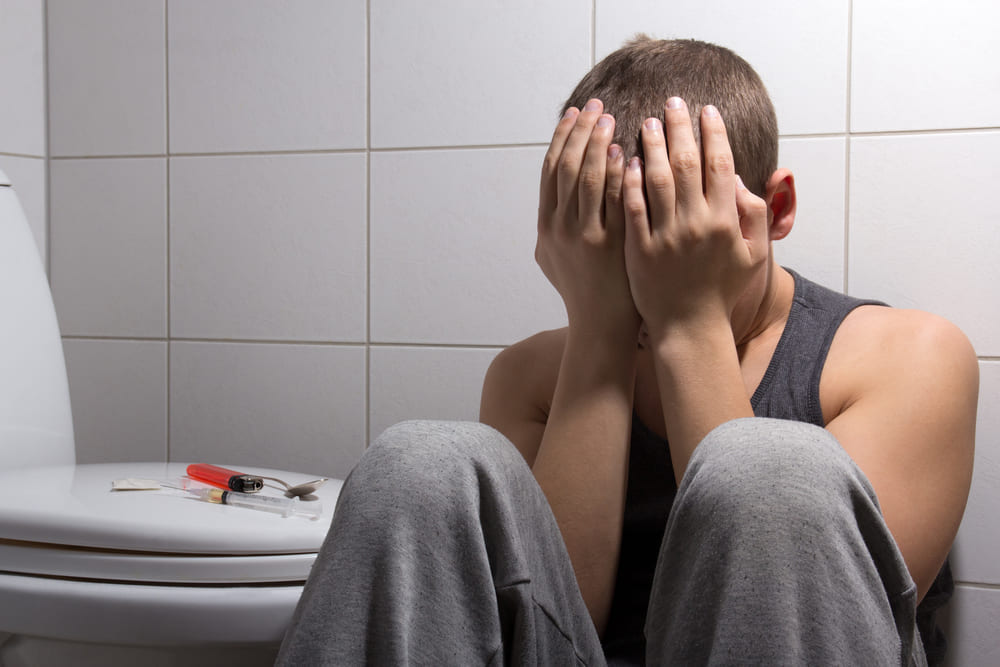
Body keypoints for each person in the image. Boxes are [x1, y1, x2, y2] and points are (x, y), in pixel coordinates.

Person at [276, 37, 978, 666]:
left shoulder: (909, 357)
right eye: (620, 248)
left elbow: (822, 620)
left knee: (768, 467)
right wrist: (598, 328)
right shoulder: (531, 376)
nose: (645, 281)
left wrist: (689, 317)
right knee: (418, 461)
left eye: (674, 237)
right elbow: (549, 611)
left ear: (777, 211)